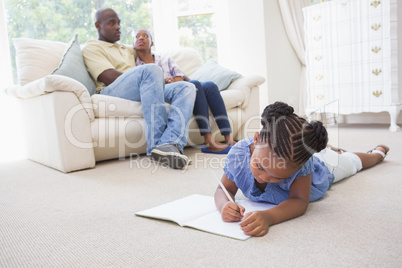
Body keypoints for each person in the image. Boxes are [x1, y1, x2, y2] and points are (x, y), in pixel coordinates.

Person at [214, 101, 389, 237]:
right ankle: (330, 149)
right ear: (256, 139)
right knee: (330, 154)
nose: (264, 178)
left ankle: (376, 154)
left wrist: (269, 217)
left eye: (278, 178)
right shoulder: (238, 155)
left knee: (351, 162)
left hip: (325, 167)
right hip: (305, 156)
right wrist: (224, 205)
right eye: (260, 166)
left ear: (297, 169)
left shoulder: (302, 165)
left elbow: (299, 201)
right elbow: (224, 189)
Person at [82, 8, 197, 169]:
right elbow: (107, 76)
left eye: (119, 23)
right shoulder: (92, 47)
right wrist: (147, 76)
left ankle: (170, 143)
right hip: (111, 90)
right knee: (151, 70)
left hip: (143, 87)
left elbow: (147, 50)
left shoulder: (126, 49)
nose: (118, 27)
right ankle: (156, 145)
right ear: (98, 25)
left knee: (186, 87)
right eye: (112, 23)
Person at [133, 29, 236, 154]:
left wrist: (173, 81)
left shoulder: (166, 60)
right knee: (195, 85)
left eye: (145, 36)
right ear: (134, 44)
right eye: (137, 36)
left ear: (152, 43)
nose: (140, 38)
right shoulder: (138, 68)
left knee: (210, 86)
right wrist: (167, 81)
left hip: (182, 86)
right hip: (164, 92)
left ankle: (228, 138)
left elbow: (181, 78)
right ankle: (208, 140)